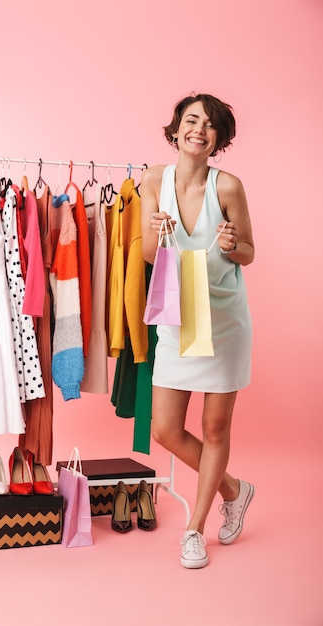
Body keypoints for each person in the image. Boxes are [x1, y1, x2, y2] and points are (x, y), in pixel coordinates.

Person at [140, 93, 255, 569]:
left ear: (219, 139)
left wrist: (232, 244)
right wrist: (157, 230)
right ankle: (235, 488)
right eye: (191, 121)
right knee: (165, 428)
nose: (199, 130)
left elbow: (248, 251)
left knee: (213, 428)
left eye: (210, 126)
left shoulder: (227, 186)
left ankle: (195, 530)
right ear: (176, 129)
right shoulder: (152, 180)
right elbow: (149, 255)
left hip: (224, 321)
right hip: (178, 314)